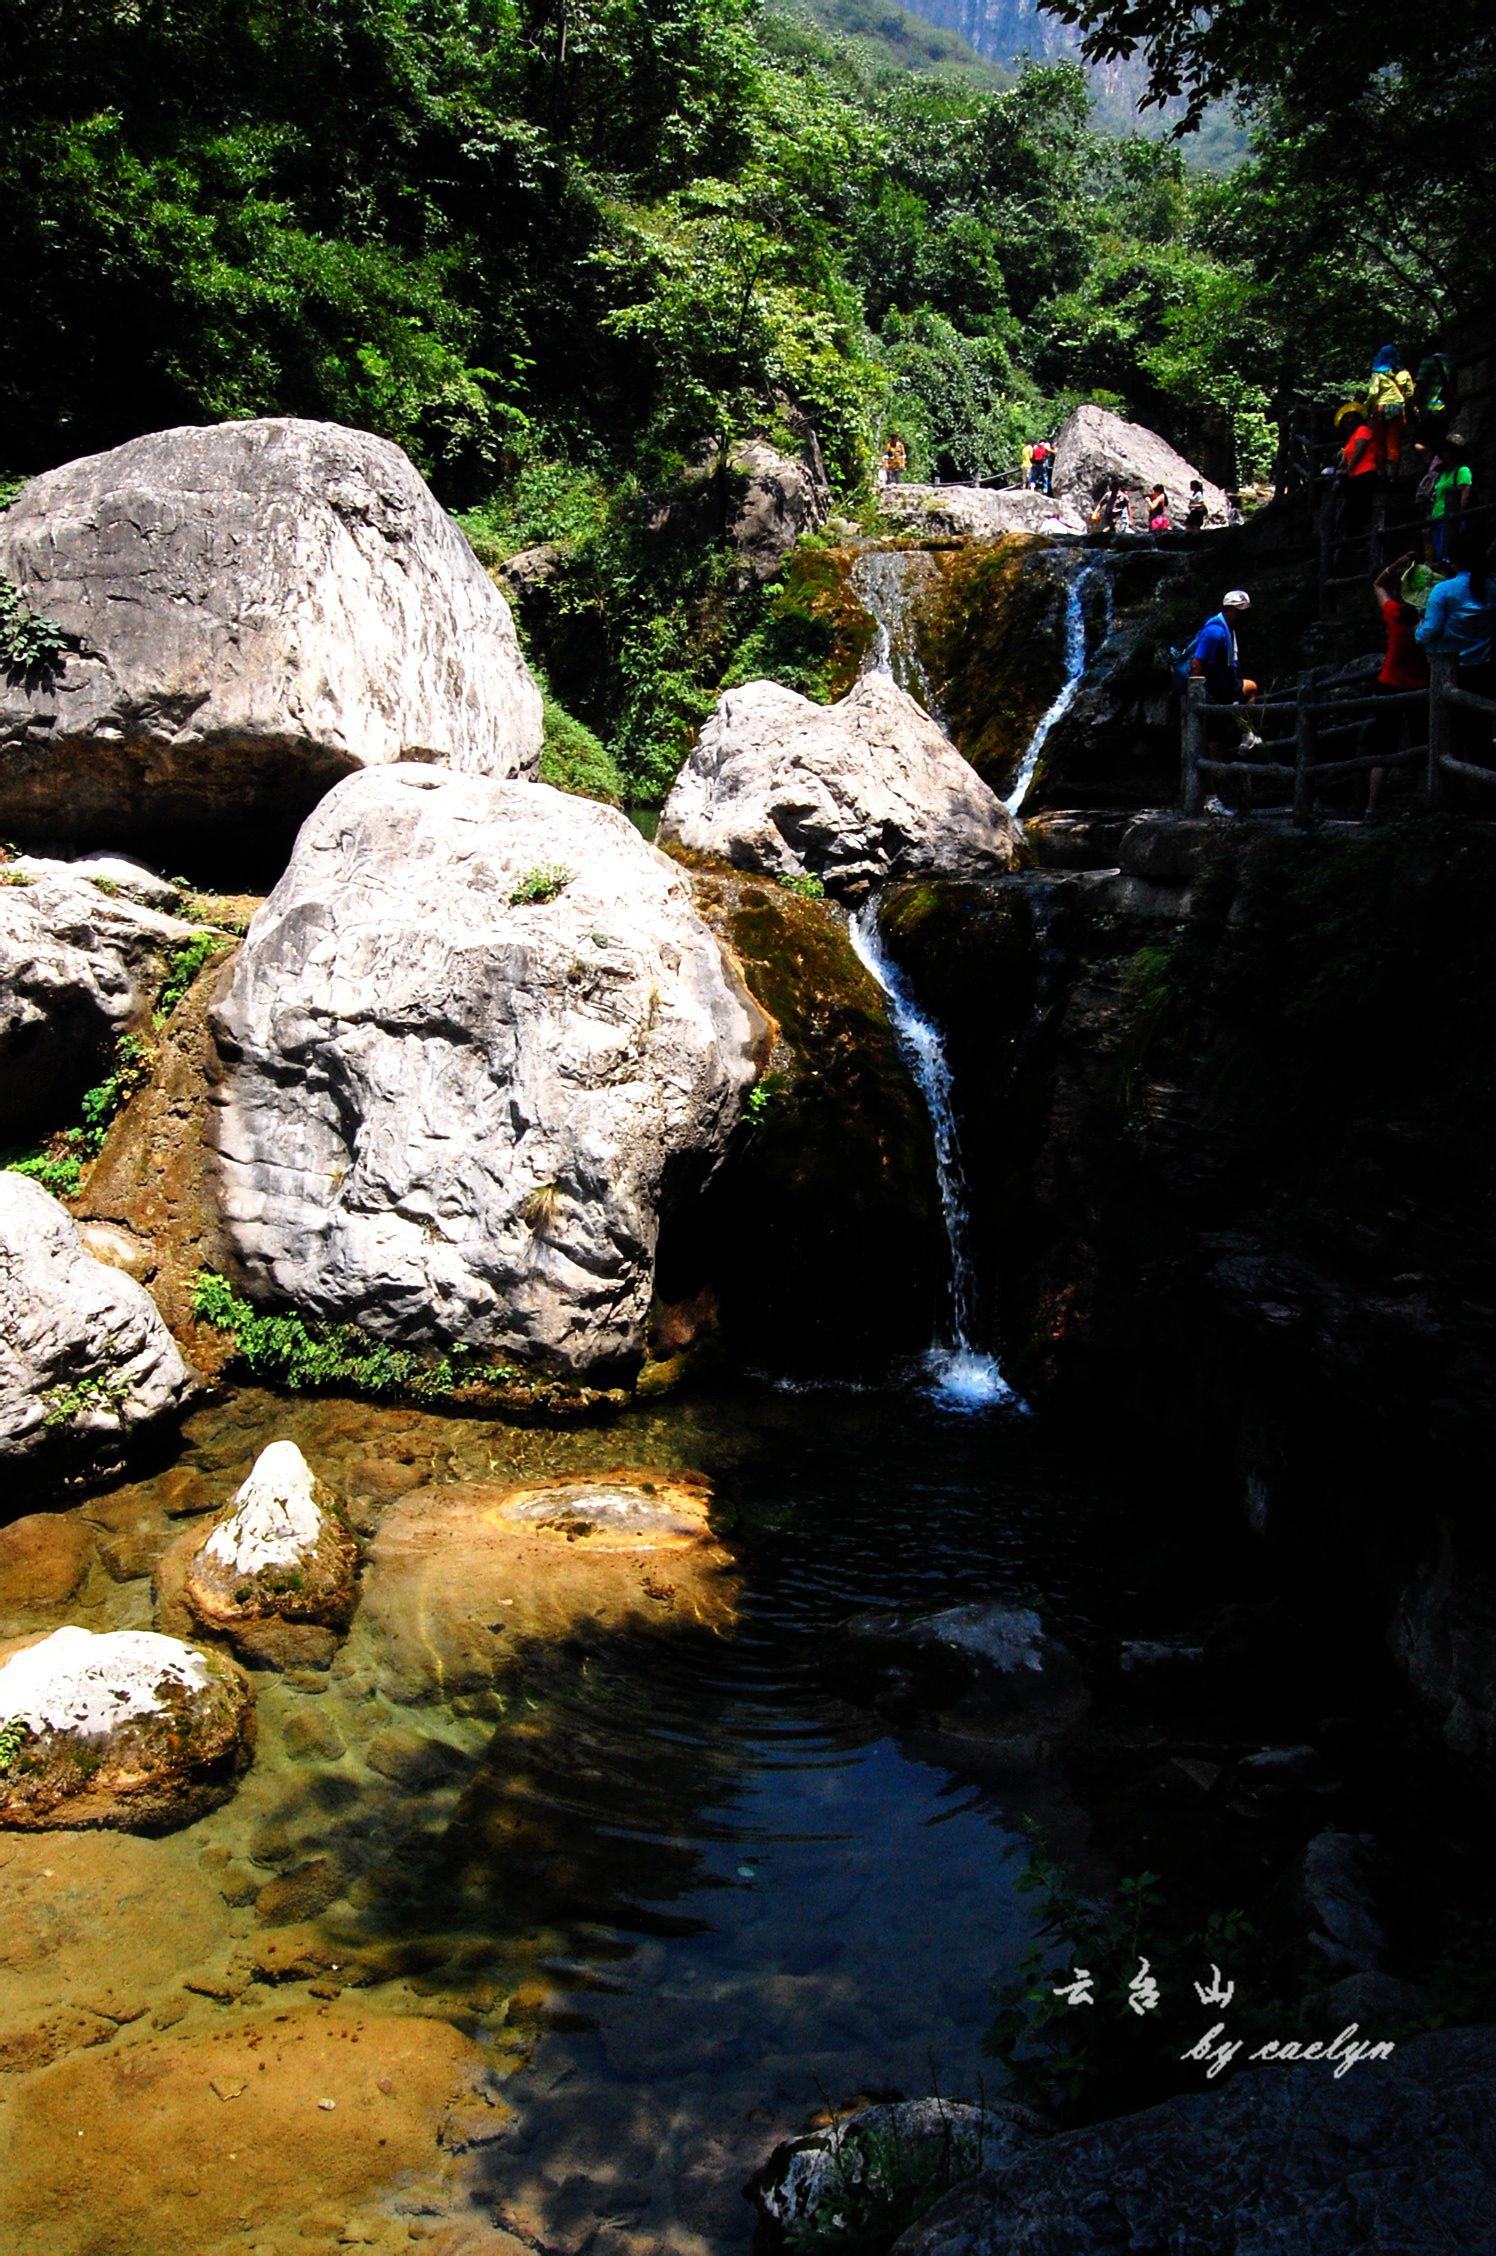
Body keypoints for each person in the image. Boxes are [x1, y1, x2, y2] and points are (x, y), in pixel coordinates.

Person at [1417, 526, 1496, 764]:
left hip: (1450, 670)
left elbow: (1430, 630)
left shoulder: (1444, 590)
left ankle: (1455, 789)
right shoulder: (1491, 585)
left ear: (1455, 560)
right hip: (1485, 665)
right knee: (1480, 732)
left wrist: (1417, 631)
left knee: (1449, 732)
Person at [1364, 552, 1429, 819]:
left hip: (1388, 684)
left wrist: (1397, 563)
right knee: (1424, 746)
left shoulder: (1394, 615)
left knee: (1381, 748)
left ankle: (1372, 808)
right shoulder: (1429, 626)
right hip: (1419, 689)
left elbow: (1378, 585)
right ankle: (1424, 805)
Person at [1189, 589, 1262, 783]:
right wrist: (1196, 692)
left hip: (1227, 687)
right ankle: (1213, 798)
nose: (1243, 614)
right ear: (1228, 608)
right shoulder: (1215, 632)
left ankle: (1246, 731)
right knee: (1214, 746)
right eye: (1239, 610)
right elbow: (1197, 663)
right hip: (1215, 693)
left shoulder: (1227, 628)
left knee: (1251, 688)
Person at [1366, 345, 1414, 481]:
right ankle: (1394, 476)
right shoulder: (1404, 372)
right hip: (1397, 409)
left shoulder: (1377, 374)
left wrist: (1367, 406)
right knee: (1394, 443)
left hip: (1380, 410)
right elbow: (1410, 392)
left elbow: (1373, 393)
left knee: (1379, 442)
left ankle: (1382, 475)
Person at [1427, 432, 1473, 563]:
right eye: (1446, 451)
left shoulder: (1462, 470)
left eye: (1451, 451)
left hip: (1451, 520)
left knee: (1449, 555)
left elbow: (1465, 495)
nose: (1448, 454)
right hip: (1437, 518)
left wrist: (1457, 517)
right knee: (1439, 554)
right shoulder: (1444, 473)